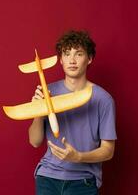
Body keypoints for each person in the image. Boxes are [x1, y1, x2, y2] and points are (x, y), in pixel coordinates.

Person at [28, 30, 117, 195]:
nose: (72, 60)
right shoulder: (48, 92)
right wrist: (38, 111)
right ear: (61, 60)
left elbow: (108, 150)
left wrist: (78, 157)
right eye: (67, 54)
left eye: (79, 54)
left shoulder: (103, 99)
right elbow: (35, 141)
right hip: (47, 177)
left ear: (89, 58)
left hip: (82, 181)